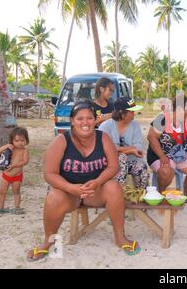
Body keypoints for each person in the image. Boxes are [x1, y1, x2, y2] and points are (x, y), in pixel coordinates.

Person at [27, 101, 140, 261]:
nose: (85, 123)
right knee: (54, 196)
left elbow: (113, 166)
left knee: (113, 187)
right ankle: (48, 241)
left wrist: (97, 182)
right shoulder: (61, 142)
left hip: (95, 191)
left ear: (95, 120)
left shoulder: (103, 138)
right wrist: (71, 188)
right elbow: (49, 174)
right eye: (80, 119)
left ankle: (120, 237)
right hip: (69, 193)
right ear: (72, 120)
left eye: (89, 118)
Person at [147, 96, 187, 204]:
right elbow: (151, 137)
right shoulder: (162, 118)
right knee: (166, 172)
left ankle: (183, 192)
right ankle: (160, 194)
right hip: (159, 156)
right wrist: (162, 156)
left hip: (180, 157)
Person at [99, 97, 149, 188]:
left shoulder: (135, 125)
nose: (134, 114)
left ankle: (142, 194)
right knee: (121, 158)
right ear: (122, 113)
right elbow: (104, 150)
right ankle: (118, 194)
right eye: (131, 112)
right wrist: (130, 150)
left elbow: (138, 148)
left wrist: (117, 149)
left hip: (131, 161)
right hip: (110, 164)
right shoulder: (105, 127)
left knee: (141, 166)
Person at [0, 127, 30, 216]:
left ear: (26, 140)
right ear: (12, 140)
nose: (20, 143)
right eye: (17, 141)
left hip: (17, 176)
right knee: (2, 192)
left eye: (22, 140)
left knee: (16, 191)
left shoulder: (25, 150)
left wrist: (13, 165)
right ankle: (0, 208)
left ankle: (17, 207)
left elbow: (25, 161)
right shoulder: (10, 148)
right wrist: (6, 146)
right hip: (6, 175)